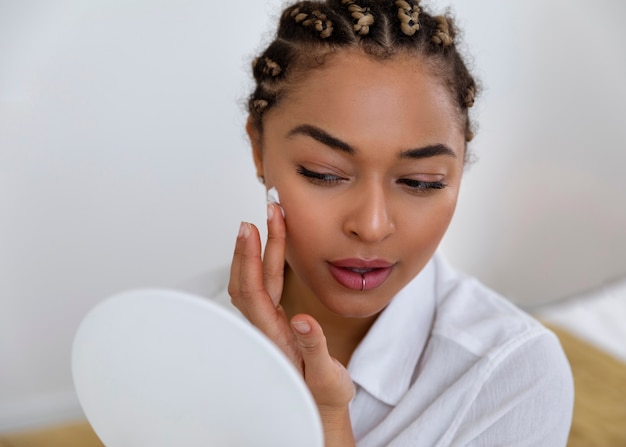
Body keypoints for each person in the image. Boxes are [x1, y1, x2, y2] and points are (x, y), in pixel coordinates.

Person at [227, 0, 574, 445]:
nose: (371, 226)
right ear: (259, 149)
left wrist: (325, 419)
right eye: (324, 174)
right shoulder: (179, 333)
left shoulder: (512, 373)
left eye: (420, 182)